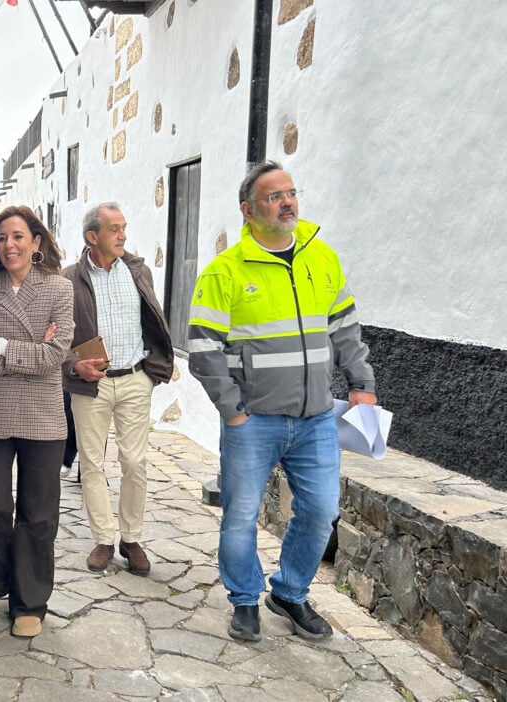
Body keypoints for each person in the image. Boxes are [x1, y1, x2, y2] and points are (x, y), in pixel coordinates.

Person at [188, 160, 377, 642]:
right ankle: (244, 599)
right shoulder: (224, 271)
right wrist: (233, 412)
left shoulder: (322, 257)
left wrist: (361, 382)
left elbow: (346, 329)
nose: (287, 201)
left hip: (316, 417)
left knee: (319, 511)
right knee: (241, 515)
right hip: (253, 422)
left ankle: (289, 593)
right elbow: (204, 349)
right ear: (248, 211)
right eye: (274, 196)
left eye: (291, 192)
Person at [0, 205, 74, 638]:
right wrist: (28, 353)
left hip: (44, 415)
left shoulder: (59, 289)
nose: (9, 245)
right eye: (2, 238)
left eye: (18, 237)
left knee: (39, 512)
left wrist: (2, 343)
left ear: (36, 242)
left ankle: (30, 601)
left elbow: (55, 357)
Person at [63, 202, 174, 576]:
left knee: (134, 462)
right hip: (89, 386)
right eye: (115, 229)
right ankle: (103, 539)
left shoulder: (138, 271)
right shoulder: (68, 279)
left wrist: (153, 371)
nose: (123, 235)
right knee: (92, 464)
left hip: (135, 379)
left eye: (124, 227)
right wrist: (73, 364)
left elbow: (154, 318)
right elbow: (56, 337)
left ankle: (131, 537)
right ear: (93, 237)